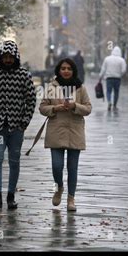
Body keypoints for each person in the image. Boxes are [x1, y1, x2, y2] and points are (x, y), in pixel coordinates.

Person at [0, 40, 37, 210]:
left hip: (16, 126)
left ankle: (11, 196)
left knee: (14, 160)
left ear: (16, 57)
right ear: (0, 57)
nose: (8, 60)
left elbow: (31, 99)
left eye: (11, 57)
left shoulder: (24, 75)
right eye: (5, 57)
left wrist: (25, 122)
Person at [39, 58, 92, 212]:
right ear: (59, 70)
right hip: (56, 130)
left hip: (75, 130)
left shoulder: (80, 88)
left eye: (69, 68)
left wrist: (75, 106)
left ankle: (71, 198)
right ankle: (59, 187)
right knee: (57, 166)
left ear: (73, 70)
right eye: (63, 68)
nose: (66, 71)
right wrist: (55, 109)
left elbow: (88, 109)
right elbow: (42, 107)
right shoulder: (51, 87)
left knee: (72, 167)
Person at [99, 46, 127, 111]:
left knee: (108, 91)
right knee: (116, 92)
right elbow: (123, 70)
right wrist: (120, 74)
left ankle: (109, 102)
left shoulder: (107, 59)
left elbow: (103, 69)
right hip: (117, 78)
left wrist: (100, 76)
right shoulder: (121, 60)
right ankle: (114, 105)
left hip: (109, 78)